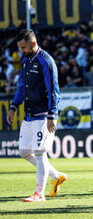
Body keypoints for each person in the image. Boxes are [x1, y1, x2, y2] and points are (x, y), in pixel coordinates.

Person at [7, 29, 66, 202]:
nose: (21, 51)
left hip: (43, 114)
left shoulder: (45, 61)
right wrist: (13, 106)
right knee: (24, 151)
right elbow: (21, 87)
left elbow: (53, 90)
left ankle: (39, 193)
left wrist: (52, 115)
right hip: (29, 113)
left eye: (23, 47)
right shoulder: (25, 61)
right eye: (19, 48)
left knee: (40, 152)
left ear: (33, 43)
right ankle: (57, 176)